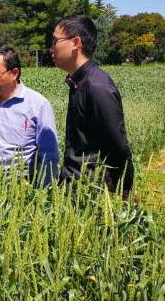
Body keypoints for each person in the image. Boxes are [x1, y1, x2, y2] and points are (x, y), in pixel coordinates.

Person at [51, 14, 134, 198]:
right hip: (77, 189)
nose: (51, 48)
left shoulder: (97, 86)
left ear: (75, 43)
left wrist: (125, 190)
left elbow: (118, 146)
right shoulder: (79, 82)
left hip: (92, 194)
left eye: (55, 41)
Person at [0, 46, 59, 186]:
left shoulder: (38, 105)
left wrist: (44, 190)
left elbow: (48, 154)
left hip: (21, 185)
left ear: (14, 73)